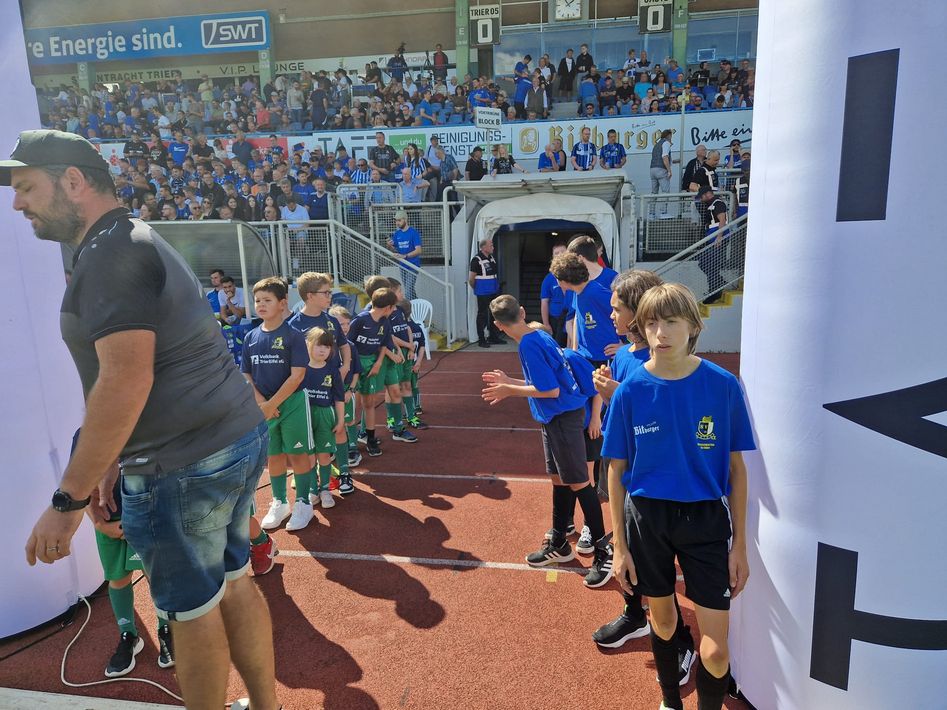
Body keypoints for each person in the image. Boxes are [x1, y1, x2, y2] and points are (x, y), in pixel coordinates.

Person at [5, 129, 279, 710]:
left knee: (191, 611)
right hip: (230, 437)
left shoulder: (108, 255)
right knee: (234, 583)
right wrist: (110, 459)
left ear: (72, 182)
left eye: (26, 187)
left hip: (180, 462)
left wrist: (67, 502)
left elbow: (125, 381)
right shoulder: (132, 237)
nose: (17, 204)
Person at [602, 283, 754, 710]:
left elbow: (737, 470)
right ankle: (671, 701)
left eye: (671, 321)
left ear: (693, 326)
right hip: (647, 519)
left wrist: (740, 545)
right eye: (651, 322)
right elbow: (616, 471)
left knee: (716, 651)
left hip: (705, 520)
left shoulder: (723, 386)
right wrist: (619, 546)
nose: (661, 332)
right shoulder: (630, 390)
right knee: (665, 622)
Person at [481, 295, 608, 579]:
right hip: (555, 418)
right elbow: (545, 382)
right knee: (559, 479)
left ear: (498, 325)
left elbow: (550, 390)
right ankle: (560, 542)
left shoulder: (528, 345)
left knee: (580, 483)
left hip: (563, 417)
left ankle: (603, 550)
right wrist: (511, 382)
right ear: (522, 312)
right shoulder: (539, 336)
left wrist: (509, 390)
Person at [242, 277, 316, 533]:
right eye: (257, 300)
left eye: (267, 300)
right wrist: (262, 402)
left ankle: (304, 502)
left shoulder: (293, 336)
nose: (261, 305)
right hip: (265, 407)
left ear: (283, 303)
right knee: (273, 455)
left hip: (292, 404)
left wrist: (272, 403)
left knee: (297, 454)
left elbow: (298, 375)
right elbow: (246, 374)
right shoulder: (251, 336)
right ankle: (280, 501)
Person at [288, 272, 355, 495]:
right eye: (325, 292)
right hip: (307, 391)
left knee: (339, 428)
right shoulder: (294, 324)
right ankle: (312, 478)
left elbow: (344, 345)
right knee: (310, 436)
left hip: (332, 387)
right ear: (310, 296)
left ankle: (344, 472)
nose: (330, 296)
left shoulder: (331, 320)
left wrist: (346, 366)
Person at [351, 286, 417, 456]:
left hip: (373, 364)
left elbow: (384, 344)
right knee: (352, 404)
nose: (394, 310)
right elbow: (347, 345)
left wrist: (379, 363)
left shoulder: (384, 322)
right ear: (388, 307)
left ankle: (372, 438)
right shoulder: (360, 320)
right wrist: (354, 367)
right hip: (356, 365)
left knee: (369, 403)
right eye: (393, 307)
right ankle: (350, 441)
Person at [301, 327, 347, 515]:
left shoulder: (332, 371)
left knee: (324, 454)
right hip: (304, 415)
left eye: (327, 347)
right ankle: (313, 489)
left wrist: (340, 420)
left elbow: (339, 398)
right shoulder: (301, 369)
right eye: (318, 345)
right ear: (308, 344)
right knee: (309, 455)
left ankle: (325, 489)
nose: (322, 350)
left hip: (325, 415)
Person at [551, 251, 619, 369]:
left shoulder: (596, 292)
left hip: (604, 357)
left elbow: (628, 312)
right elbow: (578, 318)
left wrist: (625, 346)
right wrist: (575, 349)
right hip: (586, 356)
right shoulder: (577, 293)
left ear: (564, 281)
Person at [329, 304, 364, 468]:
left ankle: (353, 447)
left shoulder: (350, 346)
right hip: (329, 391)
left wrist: (351, 390)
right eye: (340, 323)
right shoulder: (325, 347)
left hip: (346, 390)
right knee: (332, 421)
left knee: (349, 420)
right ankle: (333, 447)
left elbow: (356, 371)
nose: (344, 327)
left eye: (347, 323)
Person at [695, 186, 731, 302]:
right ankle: (719, 282)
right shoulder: (710, 204)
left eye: (702, 196)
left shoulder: (718, 203)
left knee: (711, 264)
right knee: (704, 263)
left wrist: (719, 237)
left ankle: (714, 291)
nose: (701, 199)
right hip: (712, 237)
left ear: (707, 194)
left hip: (718, 238)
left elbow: (722, 220)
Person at [469, 236, 502, 347]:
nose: (493, 247)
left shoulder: (491, 258)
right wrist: (477, 288)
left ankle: (493, 337)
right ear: (483, 247)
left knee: (494, 314)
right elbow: (471, 279)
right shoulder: (476, 260)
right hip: (483, 292)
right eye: (491, 245)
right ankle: (481, 339)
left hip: (493, 291)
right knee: (482, 315)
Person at [387, 210, 423, 299]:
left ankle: (410, 307)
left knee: (408, 291)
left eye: (399, 220)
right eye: (396, 220)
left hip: (413, 265)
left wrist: (405, 256)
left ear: (405, 220)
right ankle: (417, 305)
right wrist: (389, 246)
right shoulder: (397, 234)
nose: (397, 223)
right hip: (402, 265)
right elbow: (394, 250)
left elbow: (418, 250)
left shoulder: (413, 232)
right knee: (410, 290)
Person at [540, 243, 570, 346]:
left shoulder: (575, 274)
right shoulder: (548, 279)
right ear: (552, 258)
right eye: (556, 253)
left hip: (572, 316)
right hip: (555, 319)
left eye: (563, 252)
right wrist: (546, 324)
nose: (560, 255)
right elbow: (544, 302)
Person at [650, 129, 674, 218]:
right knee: (665, 191)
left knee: (654, 193)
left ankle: (651, 214)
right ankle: (663, 213)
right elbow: (664, 157)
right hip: (661, 170)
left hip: (652, 169)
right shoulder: (666, 143)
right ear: (669, 136)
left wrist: (674, 161)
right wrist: (669, 170)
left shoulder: (656, 145)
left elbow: (659, 157)